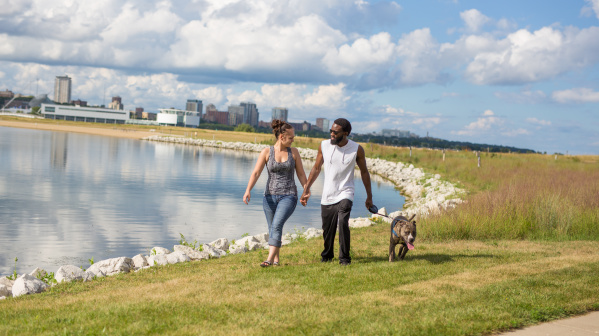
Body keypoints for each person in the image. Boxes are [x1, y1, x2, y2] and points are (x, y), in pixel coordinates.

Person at [300, 118, 373, 266]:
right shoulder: (324, 145)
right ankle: (327, 255)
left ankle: (344, 259)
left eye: (335, 132)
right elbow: (316, 168)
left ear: (345, 133)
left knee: (343, 222)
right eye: (331, 131)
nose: (332, 134)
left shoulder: (357, 149)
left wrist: (369, 196)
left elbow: (364, 172)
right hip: (328, 193)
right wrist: (306, 188)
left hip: (346, 192)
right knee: (327, 230)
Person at [243, 120, 307, 267]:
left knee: (276, 226)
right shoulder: (266, 152)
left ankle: (269, 259)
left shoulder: (294, 152)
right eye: (290, 137)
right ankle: (277, 260)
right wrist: (248, 190)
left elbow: (301, 174)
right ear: (281, 137)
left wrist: (306, 190)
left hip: (289, 195)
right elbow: (256, 172)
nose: (293, 140)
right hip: (269, 196)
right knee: (272, 227)